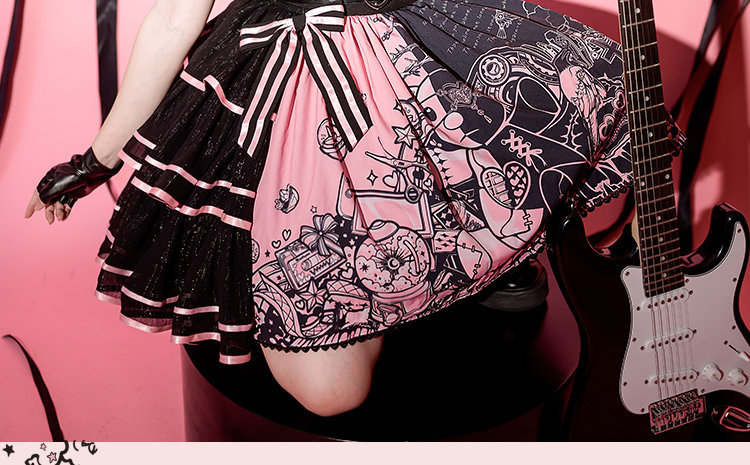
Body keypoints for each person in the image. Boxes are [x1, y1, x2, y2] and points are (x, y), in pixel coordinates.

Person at [24, 0, 682, 418]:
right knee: (332, 395)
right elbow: (173, 20)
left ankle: (481, 263)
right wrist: (95, 161)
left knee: (594, 89)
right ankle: (416, 280)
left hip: (411, 46)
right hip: (284, 89)